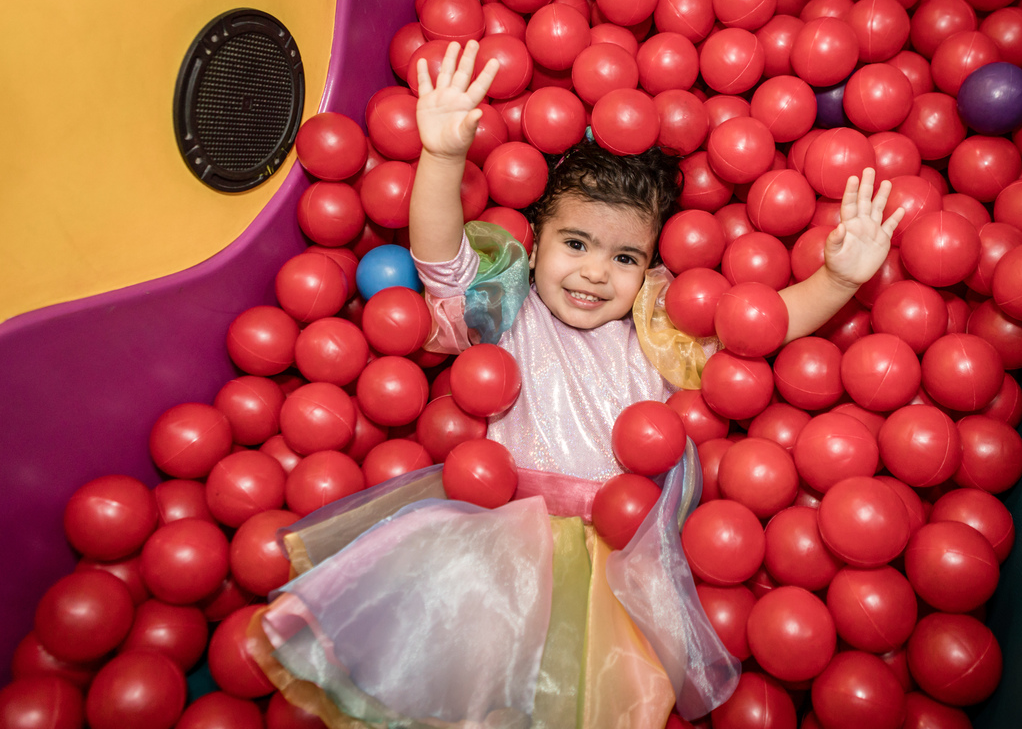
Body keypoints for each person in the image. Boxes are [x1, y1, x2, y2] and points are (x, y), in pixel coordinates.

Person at [248, 41, 905, 729]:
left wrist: (838, 280)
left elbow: (756, 329)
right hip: (497, 539)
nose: (595, 273)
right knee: (461, 691)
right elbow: (441, 261)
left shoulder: (657, 333)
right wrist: (441, 158)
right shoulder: (509, 311)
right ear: (535, 242)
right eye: (577, 244)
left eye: (624, 257)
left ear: (650, 265)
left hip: (613, 561)